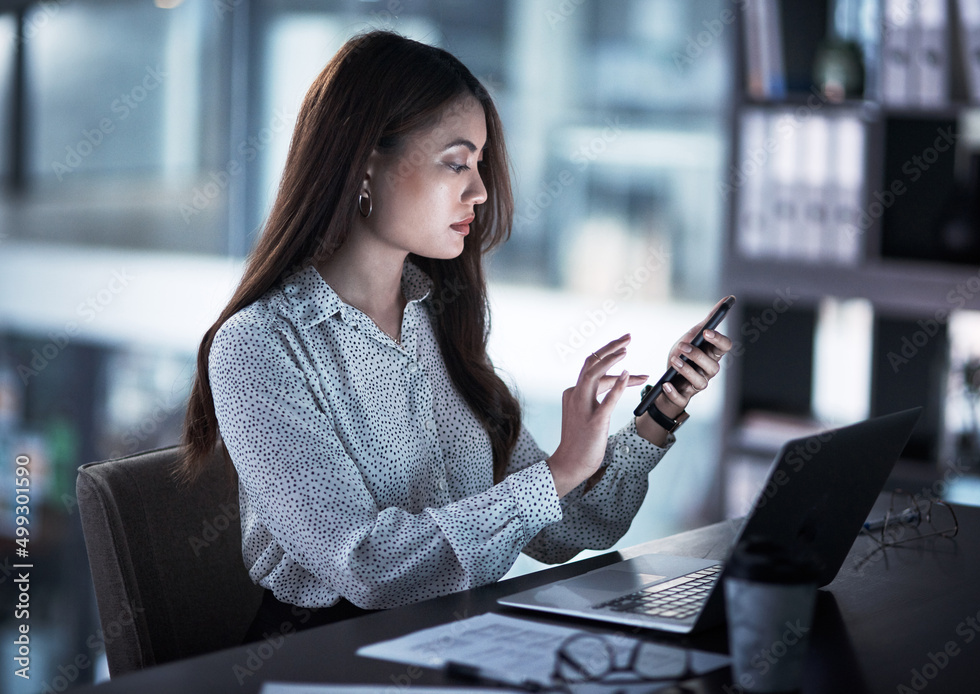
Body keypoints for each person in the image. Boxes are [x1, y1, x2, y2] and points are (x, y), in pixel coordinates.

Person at [178, 30, 732, 643]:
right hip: (328, 659)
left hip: (460, 640)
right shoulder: (259, 347)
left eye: (480, 164)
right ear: (366, 162)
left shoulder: (439, 322)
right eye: (456, 162)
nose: (481, 190)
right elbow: (369, 566)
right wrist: (554, 475)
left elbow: (564, 528)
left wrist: (659, 412)